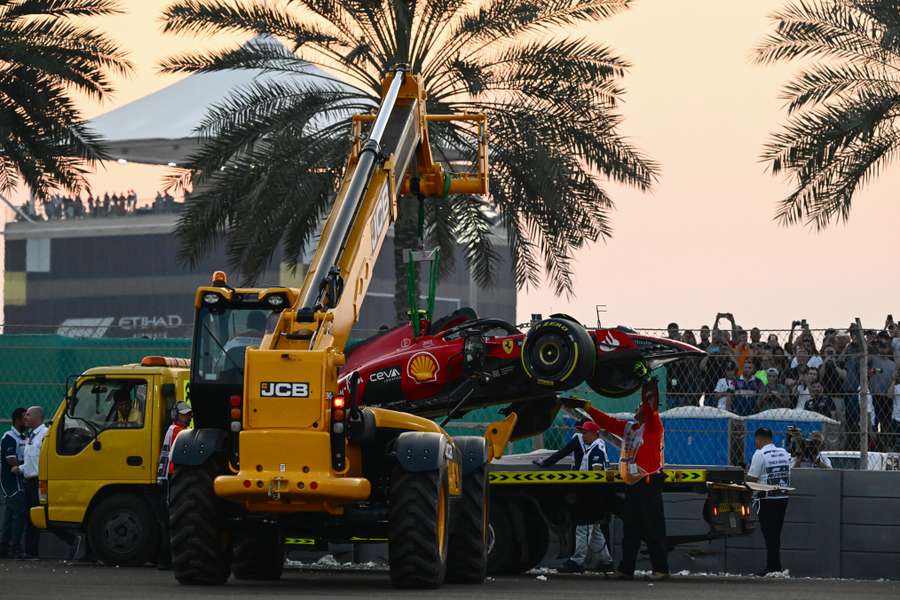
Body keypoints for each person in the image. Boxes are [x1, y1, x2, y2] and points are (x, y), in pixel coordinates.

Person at [572, 378, 669, 581]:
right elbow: (605, 422)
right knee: (631, 528)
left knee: (653, 527)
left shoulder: (653, 427)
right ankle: (626, 569)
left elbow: (650, 409)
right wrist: (586, 407)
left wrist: (647, 390)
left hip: (648, 481)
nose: (638, 410)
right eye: (638, 407)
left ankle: (661, 569)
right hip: (633, 482)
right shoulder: (628, 428)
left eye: (641, 408)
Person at [548, 421, 613, 573]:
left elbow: (596, 474)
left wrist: (590, 495)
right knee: (595, 529)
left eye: (586, 433)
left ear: (595, 433)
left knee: (583, 527)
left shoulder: (596, 448)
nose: (583, 436)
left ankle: (577, 561)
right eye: (582, 433)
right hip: (592, 493)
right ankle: (606, 560)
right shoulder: (592, 447)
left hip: (592, 494)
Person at [747, 427, 791, 576]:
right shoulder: (784, 452)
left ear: (759, 439)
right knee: (776, 534)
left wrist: (743, 475)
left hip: (766, 499)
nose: (755, 443)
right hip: (783, 497)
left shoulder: (759, 454)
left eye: (756, 441)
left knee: (769, 535)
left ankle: (772, 568)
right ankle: (775, 566)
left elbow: (752, 478)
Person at [156, 401, 193, 569]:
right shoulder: (176, 431)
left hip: (171, 476)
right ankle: (165, 559)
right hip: (170, 476)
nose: (187, 417)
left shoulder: (178, 430)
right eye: (183, 414)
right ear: (175, 415)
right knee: (170, 519)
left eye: (188, 414)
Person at [1, 408, 28, 558]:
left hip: (21, 479)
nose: (27, 421)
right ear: (17, 420)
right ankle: (15, 547)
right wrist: (27, 465)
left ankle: (4, 547)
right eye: (24, 418)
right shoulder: (9, 437)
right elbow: (11, 460)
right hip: (11, 482)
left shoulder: (25, 437)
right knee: (20, 512)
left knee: (10, 514)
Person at [22, 406, 47, 559]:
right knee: (30, 517)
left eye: (29, 415)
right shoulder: (31, 436)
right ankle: (30, 551)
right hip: (29, 482)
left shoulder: (44, 434)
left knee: (42, 517)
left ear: (37, 417)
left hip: (40, 482)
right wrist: (20, 468)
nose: (26, 417)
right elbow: (32, 460)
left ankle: (71, 540)